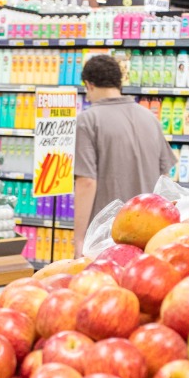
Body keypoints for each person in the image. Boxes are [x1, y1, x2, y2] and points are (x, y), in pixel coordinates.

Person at [73, 54, 176, 255]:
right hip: (150, 228)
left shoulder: (88, 120)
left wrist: (79, 239)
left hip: (108, 233)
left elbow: (86, 181)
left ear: (89, 85)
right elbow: (165, 178)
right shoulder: (149, 117)